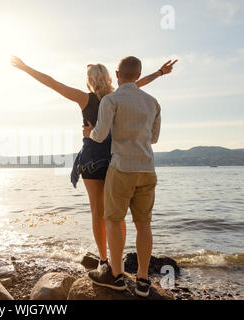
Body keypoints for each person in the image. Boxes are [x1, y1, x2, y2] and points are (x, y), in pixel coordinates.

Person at [11, 56, 176, 272]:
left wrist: (26, 68)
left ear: (89, 80)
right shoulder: (117, 95)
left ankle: (104, 260)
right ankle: (119, 260)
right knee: (117, 214)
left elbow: (52, 83)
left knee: (98, 211)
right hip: (115, 158)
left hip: (91, 158)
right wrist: (160, 73)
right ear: (110, 77)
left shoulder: (84, 98)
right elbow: (139, 82)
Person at [83, 56, 164, 297]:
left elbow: (100, 135)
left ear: (117, 74)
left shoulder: (111, 99)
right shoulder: (153, 102)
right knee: (143, 225)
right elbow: (154, 138)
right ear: (138, 76)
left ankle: (116, 276)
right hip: (147, 169)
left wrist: (89, 133)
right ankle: (142, 280)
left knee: (113, 220)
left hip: (121, 169)